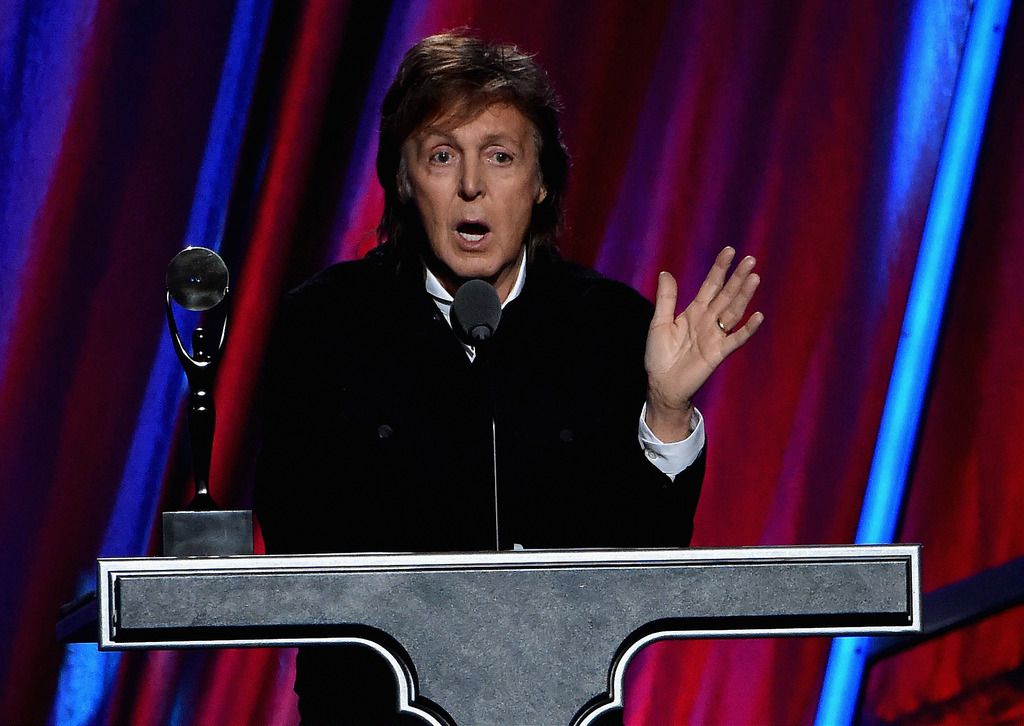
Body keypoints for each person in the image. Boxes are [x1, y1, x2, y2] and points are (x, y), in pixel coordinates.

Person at [255, 32, 762, 724]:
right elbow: (299, 544)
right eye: (441, 156)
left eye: (500, 156)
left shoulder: (610, 327)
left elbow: (650, 563)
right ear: (403, 178)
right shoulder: (326, 325)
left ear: (541, 180)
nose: (472, 185)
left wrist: (667, 413)